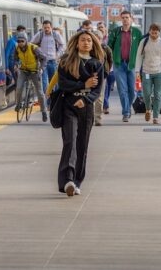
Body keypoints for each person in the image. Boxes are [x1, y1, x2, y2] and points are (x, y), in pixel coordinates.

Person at [55, 30, 104, 197]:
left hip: (86, 109)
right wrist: (83, 85)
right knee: (70, 141)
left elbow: (97, 90)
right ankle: (67, 180)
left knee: (82, 145)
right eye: (82, 40)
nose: (86, 43)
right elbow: (63, 83)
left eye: (89, 40)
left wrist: (86, 99)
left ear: (93, 44)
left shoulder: (96, 64)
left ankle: (77, 181)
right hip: (69, 105)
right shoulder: (66, 62)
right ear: (77, 43)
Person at [108, 11, 143, 122]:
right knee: (122, 90)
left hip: (132, 64)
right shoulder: (115, 32)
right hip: (119, 64)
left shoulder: (137, 32)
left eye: (127, 17)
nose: (125, 19)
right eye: (123, 18)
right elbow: (109, 47)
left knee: (132, 90)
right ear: (121, 19)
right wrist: (111, 60)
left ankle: (127, 107)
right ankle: (126, 112)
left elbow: (141, 48)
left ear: (131, 19)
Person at [135, 23, 161, 124]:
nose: (154, 34)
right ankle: (147, 109)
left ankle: (155, 117)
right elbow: (139, 56)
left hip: (159, 72)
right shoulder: (144, 41)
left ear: (159, 33)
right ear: (149, 31)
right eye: (152, 32)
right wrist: (137, 71)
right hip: (146, 71)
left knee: (158, 95)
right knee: (146, 93)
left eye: (156, 33)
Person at [13, 32, 48, 121]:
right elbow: (16, 58)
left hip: (35, 71)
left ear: (26, 41)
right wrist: (16, 65)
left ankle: (44, 111)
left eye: (22, 41)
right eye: (18, 41)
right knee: (19, 88)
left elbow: (44, 58)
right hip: (24, 71)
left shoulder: (33, 48)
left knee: (40, 92)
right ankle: (18, 105)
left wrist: (41, 69)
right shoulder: (17, 48)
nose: (20, 43)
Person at [32, 20, 65, 97]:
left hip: (53, 61)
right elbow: (31, 44)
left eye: (48, 27)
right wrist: (37, 52)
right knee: (44, 82)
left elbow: (62, 44)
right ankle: (48, 102)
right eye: (45, 28)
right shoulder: (40, 35)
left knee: (53, 82)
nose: (46, 29)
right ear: (42, 27)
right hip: (43, 63)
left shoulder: (55, 34)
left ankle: (56, 99)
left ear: (51, 27)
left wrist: (58, 54)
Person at [92, 30, 113, 126]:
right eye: (94, 37)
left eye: (98, 38)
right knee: (90, 97)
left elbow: (110, 60)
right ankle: (90, 117)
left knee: (99, 97)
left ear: (101, 39)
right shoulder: (89, 48)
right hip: (89, 75)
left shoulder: (105, 48)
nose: (96, 39)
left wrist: (107, 71)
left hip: (102, 76)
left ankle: (98, 118)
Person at [4, 25, 26, 94]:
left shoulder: (23, 41)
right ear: (17, 32)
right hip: (12, 64)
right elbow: (6, 54)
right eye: (21, 32)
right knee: (18, 83)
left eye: (23, 32)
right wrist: (7, 67)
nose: (22, 34)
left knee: (19, 83)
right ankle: (6, 93)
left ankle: (17, 99)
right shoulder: (12, 41)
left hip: (18, 65)